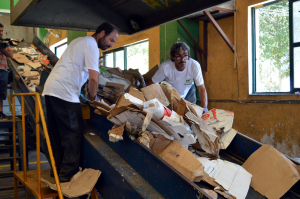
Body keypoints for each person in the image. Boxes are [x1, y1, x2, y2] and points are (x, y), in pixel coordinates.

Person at [42, 22, 119, 182]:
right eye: (111, 40)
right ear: (102, 33)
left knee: (56, 134)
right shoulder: (91, 45)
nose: (111, 44)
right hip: (64, 92)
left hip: (51, 89)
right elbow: (93, 77)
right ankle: (67, 175)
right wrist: (93, 97)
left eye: (114, 43)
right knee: (73, 134)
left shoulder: (80, 41)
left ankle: (56, 171)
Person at [151, 42, 208, 113]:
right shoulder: (166, 67)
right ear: (173, 57)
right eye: (178, 56)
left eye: (185, 55)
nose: (183, 59)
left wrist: (205, 108)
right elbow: (152, 84)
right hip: (172, 93)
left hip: (189, 90)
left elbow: (201, 88)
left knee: (191, 113)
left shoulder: (194, 65)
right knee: (175, 114)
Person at [0, 23, 13, 119]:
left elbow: (11, 56)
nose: (1, 33)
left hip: (4, 70)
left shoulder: (5, 43)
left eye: (2, 31)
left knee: (1, 92)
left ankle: (0, 112)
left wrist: (3, 50)